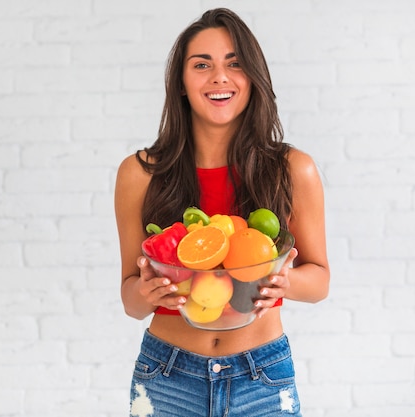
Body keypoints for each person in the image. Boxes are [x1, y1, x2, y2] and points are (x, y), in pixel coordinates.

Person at [114, 8, 329, 416]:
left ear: (253, 78)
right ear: (181, 82)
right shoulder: (139, 174)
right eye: (202, 65)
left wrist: (285, 282)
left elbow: (319, 280)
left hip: (262, 376)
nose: (219, 77)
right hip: (166, 377)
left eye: (235, 63)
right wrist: (145, 293)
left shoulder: (292, 169)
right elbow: (130, 299)